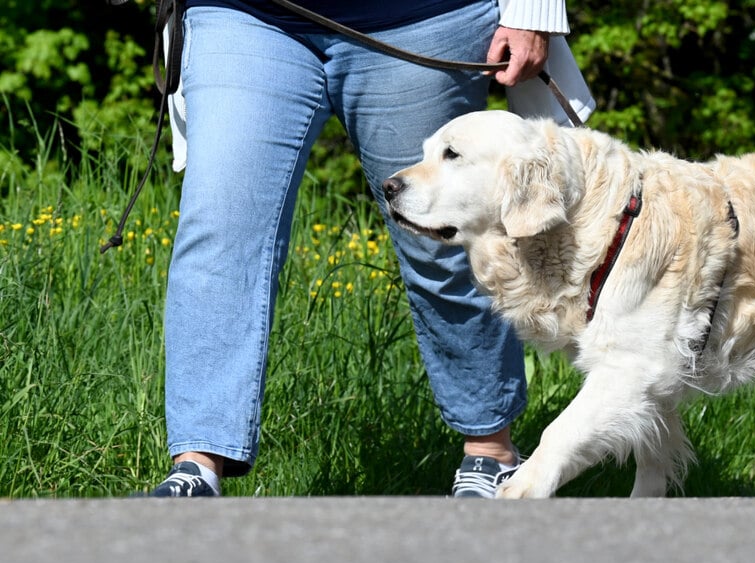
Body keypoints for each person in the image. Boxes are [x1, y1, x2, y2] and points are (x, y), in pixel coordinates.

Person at [144, 0, 587, 498]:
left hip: (424, 19)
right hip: (243, 13)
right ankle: (196, 468)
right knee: (221, 233)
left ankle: (491, 456)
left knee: (446, 242)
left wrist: (534, 10)